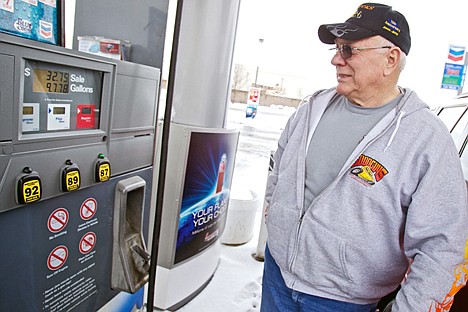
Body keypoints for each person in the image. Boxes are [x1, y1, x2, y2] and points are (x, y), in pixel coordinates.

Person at [261, 3, 468, 312]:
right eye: (336, 49)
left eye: (349, 50)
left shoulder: (425, 139)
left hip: (344, 302)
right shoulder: (310, 110)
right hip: (276, 277)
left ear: (391, 59)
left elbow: (441, 248)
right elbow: (277, 173)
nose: (335, 59)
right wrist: (276, 221)